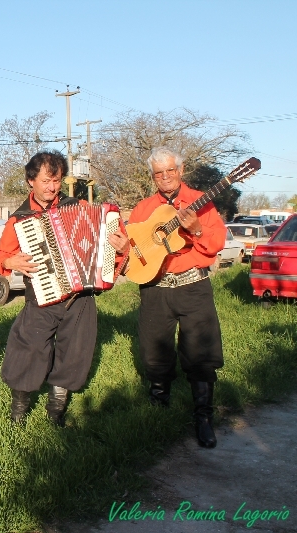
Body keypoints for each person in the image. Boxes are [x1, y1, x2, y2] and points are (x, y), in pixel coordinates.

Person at [0, 150, 128, 426]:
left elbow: (112, 244)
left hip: (81, 296)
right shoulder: (20, 219)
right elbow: (1, 256)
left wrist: (121, 248)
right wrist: (9, 259)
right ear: (31, 180)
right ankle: (19, 408)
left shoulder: (77, 207)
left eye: (56, 181)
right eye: (46, 181)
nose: (52, 187)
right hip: (41, 296)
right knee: (28, 347)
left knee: (75, 351)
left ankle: (56, 410)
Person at [128, 146, 225, 448]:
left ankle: (204, 416)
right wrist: (121, 250)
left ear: (181, 171)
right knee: (153, 351)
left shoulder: (200, 201)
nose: (166, 177)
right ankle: (160, 407)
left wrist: (196, 231)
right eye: (159, 173)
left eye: (171, 170)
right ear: (153, 177)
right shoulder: (143, 208)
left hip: (193, 286)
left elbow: (217, 242)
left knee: (201, 351)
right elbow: (131, 247)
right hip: (155, 287)